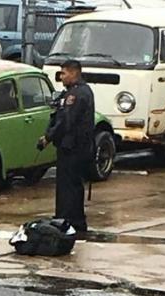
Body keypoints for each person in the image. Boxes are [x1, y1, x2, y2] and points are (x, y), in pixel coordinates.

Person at [38, 59, 94, 233]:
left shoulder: (76, 94)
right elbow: (57, 115)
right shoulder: (73, 92)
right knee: (69, 185)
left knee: (69, 186)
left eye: (64, 73)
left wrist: (48, 138)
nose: (61, 77)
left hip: (74, 147)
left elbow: (66, 121)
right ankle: (69, 219)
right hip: (72, 146)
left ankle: (69, 221)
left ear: (73, 73)